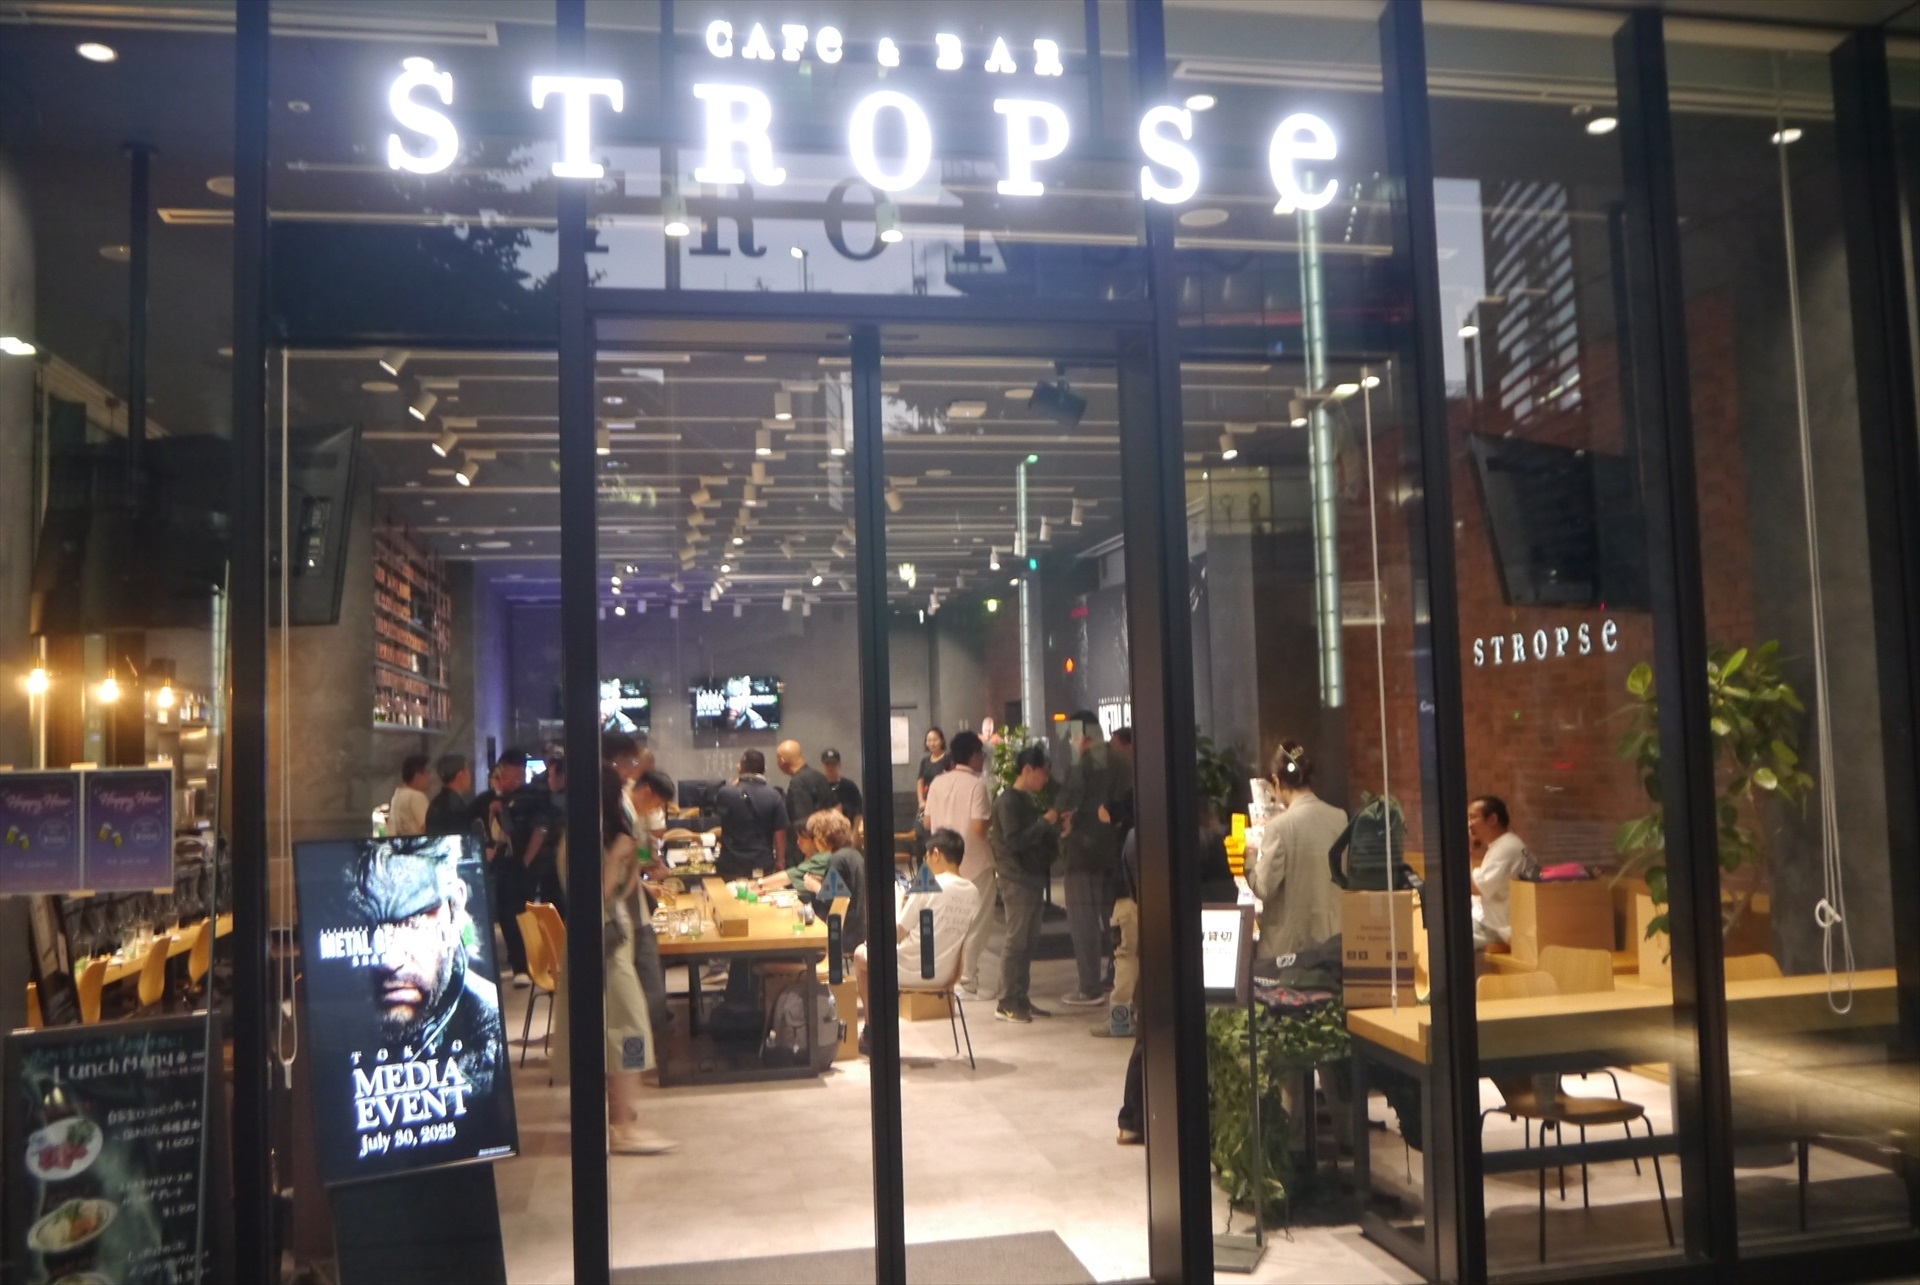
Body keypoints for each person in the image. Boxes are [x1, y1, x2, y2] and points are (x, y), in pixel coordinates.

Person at [348, 837, 503, 1095]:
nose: (388, 960)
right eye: (363, 922)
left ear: (455, 907)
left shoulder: (491, 1031)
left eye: (415, 919)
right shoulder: (320, 1023)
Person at [599, 763, 676, 1155]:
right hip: (609, 941)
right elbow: (602, 893)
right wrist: (618, 858)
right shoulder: (592, 837)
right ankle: (622, 1124)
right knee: (630, 1025)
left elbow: (626, 886)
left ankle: (622, 1116)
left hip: (620, 934)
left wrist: (631, 864)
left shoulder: (613, 830)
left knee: (628, 1025)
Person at [854, 828, 980, 1056]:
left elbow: (898, 933)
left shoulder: (929, 885)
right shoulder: (973, 892)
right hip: (947, 976)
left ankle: (872, 1033)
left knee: (860, 955)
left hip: (910, 968)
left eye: (926, 856)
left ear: (936, 853)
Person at [1250, 741, 1347, 961]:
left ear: (1276, 780)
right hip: (1331, 947)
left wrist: (1249, 860)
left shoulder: (1278, 828)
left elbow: (1263, 887)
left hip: (1288, 956)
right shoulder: (1339, 818)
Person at [1054, 711, 1125, 1007]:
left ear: (1082, 736)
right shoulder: (1122, 760)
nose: (1071, 742)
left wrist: (1063, 820)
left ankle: (1089, 986)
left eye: (1072, 736)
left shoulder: (1083, 764)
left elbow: (1067, 805)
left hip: (1083, 853)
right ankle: (1119, 979)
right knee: (1116, 920)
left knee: (1083, 921)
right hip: (1116, 853)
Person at [989, 744, 1061, 1023]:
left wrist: (1053, 827)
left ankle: (1020, 997)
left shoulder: (1025, 800)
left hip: (1030, 877)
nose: (1045, 779)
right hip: (1016, 878)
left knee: (1029, 941)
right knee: (1017, 940)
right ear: (1028, 770)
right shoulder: (1008, 801)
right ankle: (1006, 1000)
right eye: (1044, 772)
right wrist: (1045, 822)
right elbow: (1015, 841)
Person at [925, 730, 995, 996]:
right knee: (975, 924)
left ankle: (947, 976)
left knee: (948, 923)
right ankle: (966, 980)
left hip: (942, 864)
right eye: (981, 754)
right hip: (974, 863)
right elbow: (979, 828)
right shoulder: (977, 785)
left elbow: (928, 822)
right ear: (974, 755)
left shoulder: (938, 782)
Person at [1469, 795, 1536, 949]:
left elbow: (1476, 888)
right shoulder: (1504, 844)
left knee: (1444, 937)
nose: (1469, 824)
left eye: (1473, 817)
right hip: (1494, 923)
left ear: (1493, 819)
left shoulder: (1506, 848)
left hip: (1497, 928)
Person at [710, 749, 788, 878]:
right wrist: (780, 861)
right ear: (764, 769)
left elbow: (717, 821)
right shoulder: (774, 795)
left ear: (740, 768)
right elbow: (780, 832)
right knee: (760, 891)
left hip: (731, 862)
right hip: (761, 862)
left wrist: (738, 779)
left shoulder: (726, 793)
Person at [778, 739, 837, 840]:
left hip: (808, 844)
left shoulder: (798, 783)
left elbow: (802, 823)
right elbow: (836, 807)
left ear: (782, 760)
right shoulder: (820, 776)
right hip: (825, 841)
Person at [424, 754, 477, 839]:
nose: (470, 776)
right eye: (468, 771)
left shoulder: (437, 801)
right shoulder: (454, 806)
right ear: (461, 774)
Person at [388, 755, 433, 838]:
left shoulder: (397, 795)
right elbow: (426, 827)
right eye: (428, 773)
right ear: (417, 777)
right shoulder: (416, 796)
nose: (430, 777)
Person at [821, 748, 862, 825]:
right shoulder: (818, 786)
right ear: (822, 766)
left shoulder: (849, 786)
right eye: (827, 764)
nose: (830, 767)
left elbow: (859, 811)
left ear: (839, 765)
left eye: (834, 764)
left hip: (847, 829)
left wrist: (854, 832)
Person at [915, 727, 950, 814]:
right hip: (926, 803)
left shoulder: (949, 759)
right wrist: (921, 801)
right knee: (922, 822)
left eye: (935, 740)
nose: (932, 743)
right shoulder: (925, 761)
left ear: (942, 741)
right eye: (929, 740)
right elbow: (920, 781)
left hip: (943, 804)